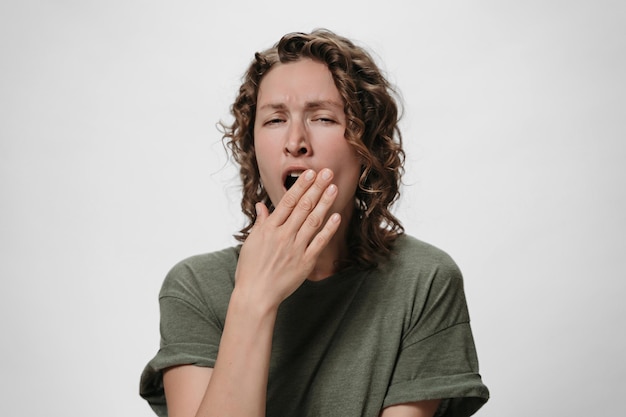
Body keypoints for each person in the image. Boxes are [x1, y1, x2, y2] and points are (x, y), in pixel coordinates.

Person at [140, 29, 489, 417]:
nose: (295, 141)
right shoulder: (195, 288)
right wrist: (253, 300)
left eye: (322, 117)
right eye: (274, 120)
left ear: (367, 146)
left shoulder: (423, 280)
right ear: (253, 149)